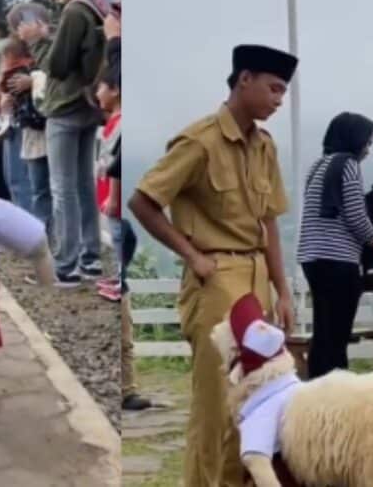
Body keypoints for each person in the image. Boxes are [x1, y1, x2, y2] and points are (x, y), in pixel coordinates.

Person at [129, 44, 297, 487]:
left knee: (254, 402)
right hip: (217, 277)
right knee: (216, 408)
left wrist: (282, 291)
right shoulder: (200, 141)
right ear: (245, 79)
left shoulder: (264, 147)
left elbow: (269, 222)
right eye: (273, 88)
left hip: (257, 277)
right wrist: (193, 257)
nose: (279, 100)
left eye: (284, 92)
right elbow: (143, 202)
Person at [297, 111, 373, 378]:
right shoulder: (349, 165)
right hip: (339, 259)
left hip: (312, 257)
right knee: (338, 334)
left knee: (323, 331)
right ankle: (337, 386)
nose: (368, 150)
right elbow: (356, 216)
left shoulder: (317, 166)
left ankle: (317, 385)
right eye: (367, 142)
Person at [38, 0, 107, 284]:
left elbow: (58, 65)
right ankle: (90, 257)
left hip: (64, 107)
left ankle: (65, 265)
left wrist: (36, 41)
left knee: (62, 188)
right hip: (87, 107)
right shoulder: (93, 5)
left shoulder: (73, 12)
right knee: (83, 185)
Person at [6, 2, 53, 230]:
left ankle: (55, 234)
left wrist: (32, 80)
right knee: (38, 187)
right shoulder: (15, 53)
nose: (19, 32)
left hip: (52, 123)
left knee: (56, 188)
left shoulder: (51, 44)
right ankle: (41, 233)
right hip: (30, 128)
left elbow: (59, 74)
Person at [0, 40, 35, 213]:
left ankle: (26, 221)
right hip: (13, 122)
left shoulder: (29, 73)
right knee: (13, 179)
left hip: (25, 126)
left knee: (21, 181)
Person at [94, 66, 122, 294]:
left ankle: (123, 283)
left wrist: (113, 197)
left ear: (115, 90)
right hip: (108, 193)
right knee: (116, 237)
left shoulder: (122, 124)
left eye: (101, 88)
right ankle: (119, 277)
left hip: (116, 196)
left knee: (120, 239)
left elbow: (118, 164)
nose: (97, 93)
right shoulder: (113, 121)